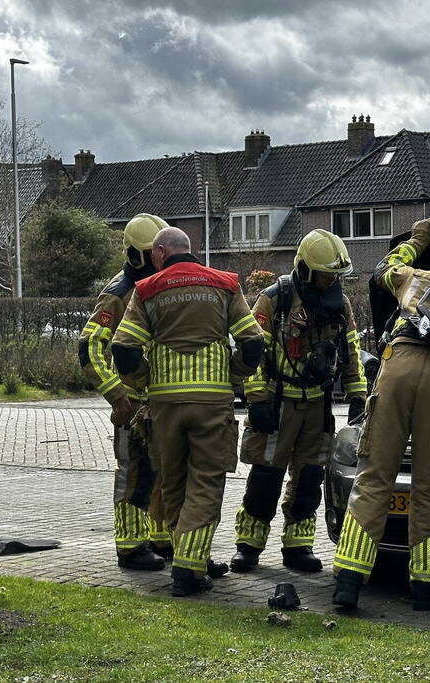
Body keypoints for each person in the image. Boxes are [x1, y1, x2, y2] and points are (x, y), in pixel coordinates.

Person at [332, 217, 430, 611]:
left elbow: (383, 268)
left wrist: (416, 240)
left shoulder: (415, 278)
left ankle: (348, 583)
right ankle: (428, 588)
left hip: (397, 365)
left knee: (373, 477)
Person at [110, 228, 264, 596]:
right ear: (190, 251)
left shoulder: (147, 289)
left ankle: (188, 558)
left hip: (163, 407)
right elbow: (253, 340)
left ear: (162, 251)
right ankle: (188, 569)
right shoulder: (225, 284)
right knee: (207, 482)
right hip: (212, 403)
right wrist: (235, 374)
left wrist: (146, 380)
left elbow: (124, 347)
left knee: (174, 482)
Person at [230, 230, 367, 574]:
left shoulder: (340, 304)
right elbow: (251, 353)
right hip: (277, 405)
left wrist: (357, 394)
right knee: (265, 478)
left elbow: (350, 351)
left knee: (309, 479)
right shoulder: (273, 300)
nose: (333, 280)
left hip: (317, 407)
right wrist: (257, 397)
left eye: (337, 274)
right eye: (326, 273)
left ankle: (298, 546)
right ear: (305, 269)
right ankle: (249, 545)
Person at [79, 213, 173, 570]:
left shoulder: (166, 286)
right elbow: (89, 346)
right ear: (137, 255)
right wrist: (118, 394)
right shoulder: (119, 294)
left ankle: (161, 538)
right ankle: (131, 546)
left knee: (165, 471)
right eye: (153, 253)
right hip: (134, 404)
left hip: (166, 398)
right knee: (134, 473)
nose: (160, 260)